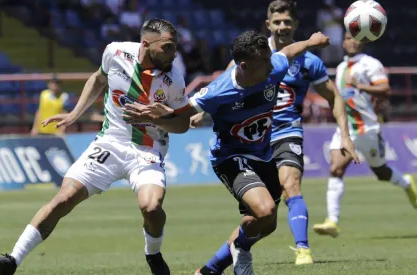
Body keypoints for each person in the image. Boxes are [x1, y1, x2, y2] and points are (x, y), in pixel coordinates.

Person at [0, 18, 191, 275]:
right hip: (110, 142)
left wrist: (155, 118)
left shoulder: (173, 79)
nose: (174, 53)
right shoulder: (115, 52)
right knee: (64, 198)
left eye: (174, 47)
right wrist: (73, 114)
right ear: (146, 44)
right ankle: (13, 259)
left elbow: (183, 124)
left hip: (147, 150)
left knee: (151, 208)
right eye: (168, 47)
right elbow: (97, 79)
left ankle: (153, 253)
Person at [132, 30, 335, 275]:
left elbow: (288, 52)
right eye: (265, 62)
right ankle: (241, 248)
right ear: (244, 65)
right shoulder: (219, 90)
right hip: (231, 158)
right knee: (265, 210)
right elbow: (184, 114)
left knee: (265, 224)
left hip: (263, 155)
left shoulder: (273, 68)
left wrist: (312, 42)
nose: (272, 66)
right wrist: (163, 116)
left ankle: (208, 271)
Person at [193, 1, 358, 272]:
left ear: (295, 25)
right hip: (250, 141)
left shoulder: (308, 63)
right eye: (277, 22)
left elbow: (334, 97)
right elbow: (223, 84)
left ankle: (302, 248)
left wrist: (345, 135)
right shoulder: (254, 56)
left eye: (287, 22)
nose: (282, 26)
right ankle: (211, 268)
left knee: (290, 186)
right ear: (268, 24)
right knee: (261, 218)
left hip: (285, 131)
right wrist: (200, 110)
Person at [312, 31, 417, 238]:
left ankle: (406, 182)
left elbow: (386, 90)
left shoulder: (371, 64)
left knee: (381, 172)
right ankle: (332, 221)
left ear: (363, 41)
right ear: (343, 42)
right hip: (346, 128)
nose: (351, 41)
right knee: (335, 168)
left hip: (367, 128)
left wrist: (360, 86)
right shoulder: (343, 66)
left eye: (355, 38)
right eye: (347, 38)